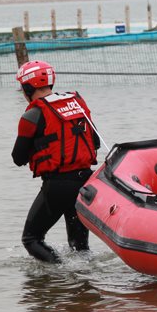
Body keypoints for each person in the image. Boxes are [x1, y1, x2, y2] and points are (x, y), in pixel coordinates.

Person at [12, 60, 100, 263]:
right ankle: (81, 287)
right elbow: (94, 141)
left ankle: (58, 276)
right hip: (86, 182)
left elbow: (18, 158)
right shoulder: (76, 104)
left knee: (31, 239)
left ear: (27, 87)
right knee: (80, 247)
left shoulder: (32, 115)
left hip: (58, 186)